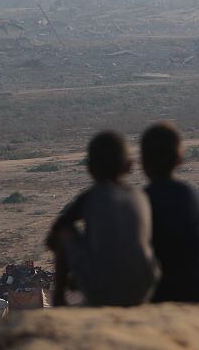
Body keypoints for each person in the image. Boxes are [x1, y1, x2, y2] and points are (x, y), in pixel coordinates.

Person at [46, 130, 158, 306]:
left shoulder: (92, 196)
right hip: (144, 288)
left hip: (103, 291)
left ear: (90, 168)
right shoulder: (140, 196)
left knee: (64, 232)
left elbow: (54, 236)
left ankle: (59, 298)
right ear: (130, 165)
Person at [141, 121, 199, 303]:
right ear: (180, 159)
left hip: (166, 291)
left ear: (142, 162)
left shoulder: (142, 201)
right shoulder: (196, 195)